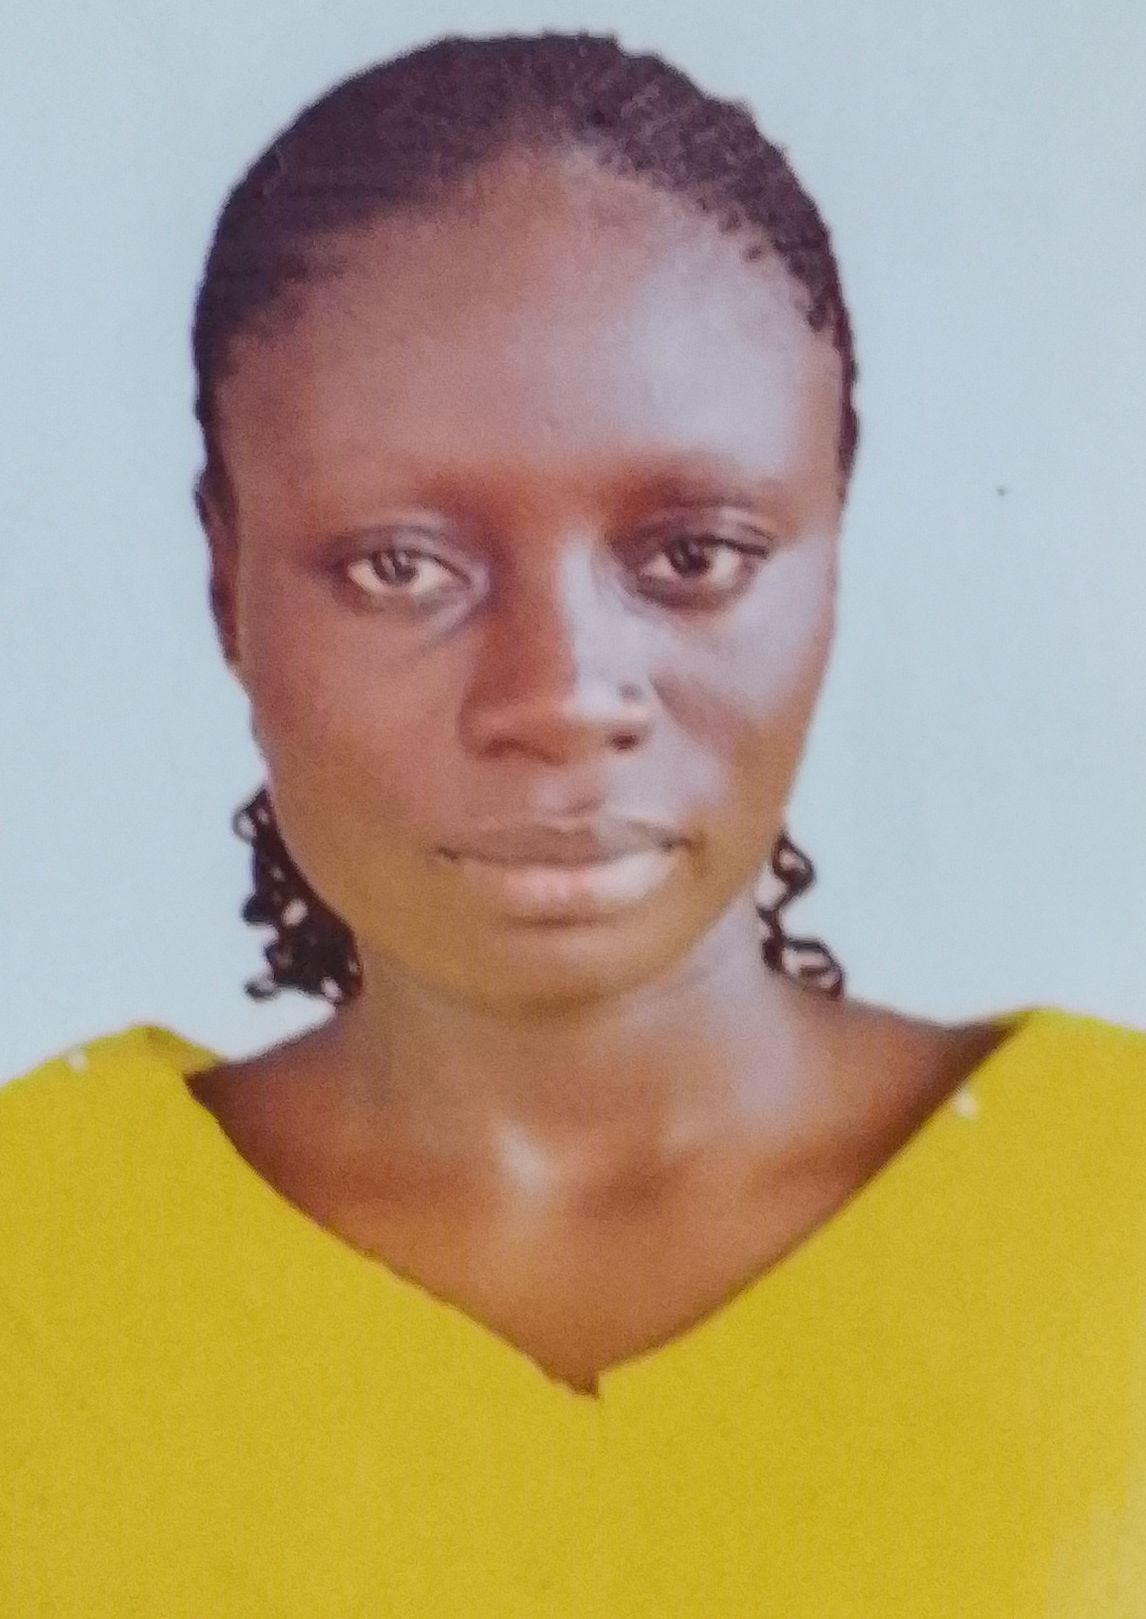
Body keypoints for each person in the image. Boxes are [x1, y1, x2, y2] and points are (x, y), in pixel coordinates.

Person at [4, 29, 1145, 1617]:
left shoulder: (1109, 1201)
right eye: (399, 566)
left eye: (690, 556)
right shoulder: (40, 1248)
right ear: (226, 583)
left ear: (832, 540)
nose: (554, 698)